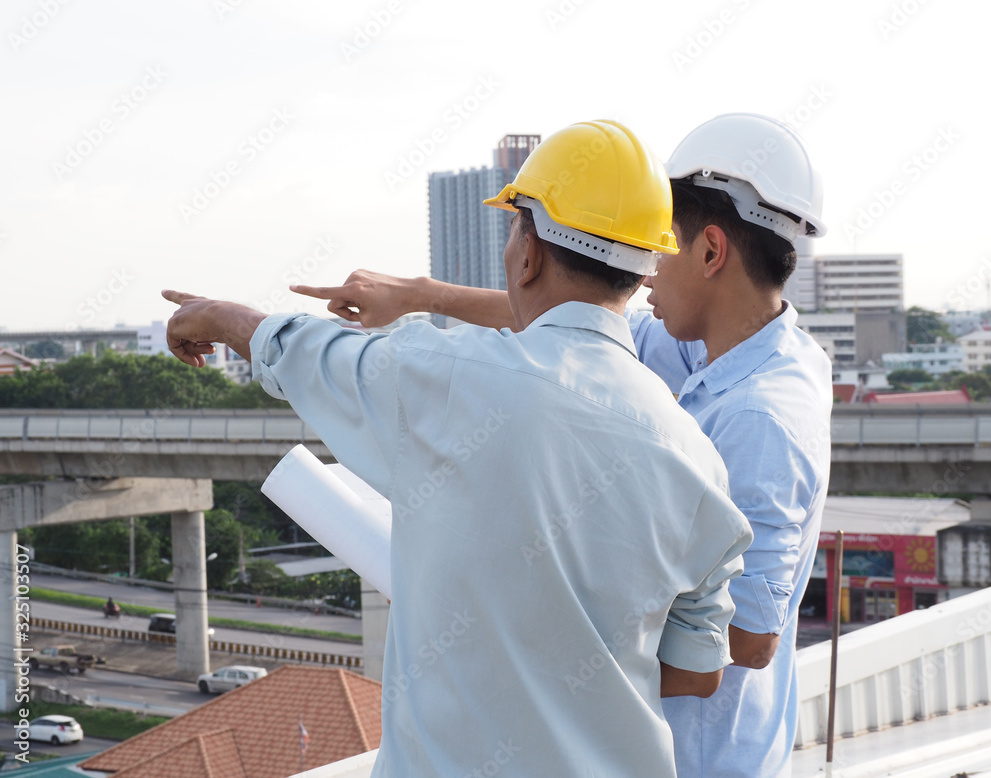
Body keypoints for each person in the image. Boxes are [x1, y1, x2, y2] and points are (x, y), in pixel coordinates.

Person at [161, 119, 753, 777]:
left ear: (528, 252)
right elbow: (698, 672)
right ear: (643, 271)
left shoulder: (444, 378)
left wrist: (213, 316)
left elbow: (305, 351)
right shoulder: (698, 460)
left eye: (511, 231)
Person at [294, 113, 832, 777]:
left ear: (712, 252)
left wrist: (534, 629)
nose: (646, 277)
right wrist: (421, 296)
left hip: (700, 759)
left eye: (658, 252)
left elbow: (748, 639)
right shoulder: (722, 351)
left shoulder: (761, 418)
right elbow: (577, 326)